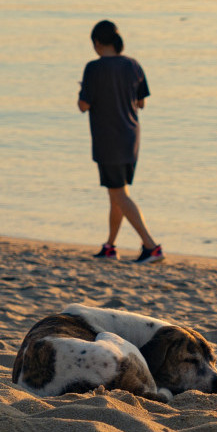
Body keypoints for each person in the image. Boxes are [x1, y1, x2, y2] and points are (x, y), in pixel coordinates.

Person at [78, 20, 163, 264]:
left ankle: (151, 246)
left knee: (119, 195)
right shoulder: (133, 65)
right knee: (117, 193)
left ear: (96, 43)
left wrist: (85, 92)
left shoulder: (93, 69)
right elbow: (142, 102)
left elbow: (84, 105)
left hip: (108, 139)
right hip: (131, 138)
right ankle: (110, 246)